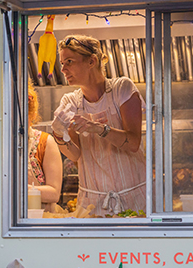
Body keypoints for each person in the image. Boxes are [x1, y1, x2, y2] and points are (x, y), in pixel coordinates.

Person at [51, 35, 147, 217]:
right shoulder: (71, 101)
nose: (63, 69)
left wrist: (99, 129)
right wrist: (59, 134)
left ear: (92, 61)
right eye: (62, 63)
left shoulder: (122, 89)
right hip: (91, 204)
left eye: (69, 62)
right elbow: (76, 155)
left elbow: (133, 143)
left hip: (134, 199)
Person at [27, 81, 62, 212]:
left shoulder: (45, 142)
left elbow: (54, 193)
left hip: (40, 221)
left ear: (33, 116)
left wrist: (22, 191)